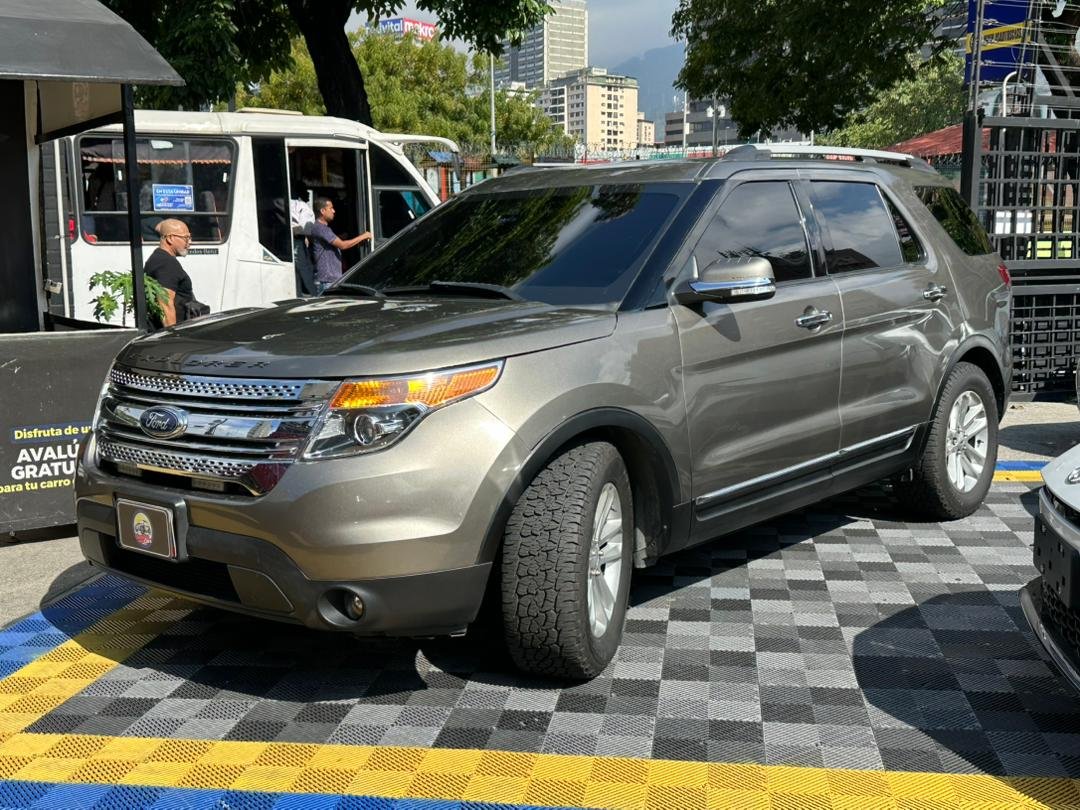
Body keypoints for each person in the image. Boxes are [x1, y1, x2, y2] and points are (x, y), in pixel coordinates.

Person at [309, 197, 372, 293]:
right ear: (322, 211)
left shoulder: (321, 228)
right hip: (327, 280)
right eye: (331, 208)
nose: (333, 211)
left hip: (329, 280)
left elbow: (333, 241)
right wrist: (364, 236)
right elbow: (342, 245)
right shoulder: (321, 228)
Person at [144, 218, 196, 328]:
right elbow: (165, 304)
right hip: (176, 330)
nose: (190, 242)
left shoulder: (160, 258)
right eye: (186, 238)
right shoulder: (166, 263)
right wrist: (173, 334)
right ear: (170, 238)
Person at [290, 193, 316, 296]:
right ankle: (312, 295)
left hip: (294, 239)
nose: (308, 194)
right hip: (296, 240)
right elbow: (305, 228)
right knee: (304, 270)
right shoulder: (300, 205)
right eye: (304, 190)